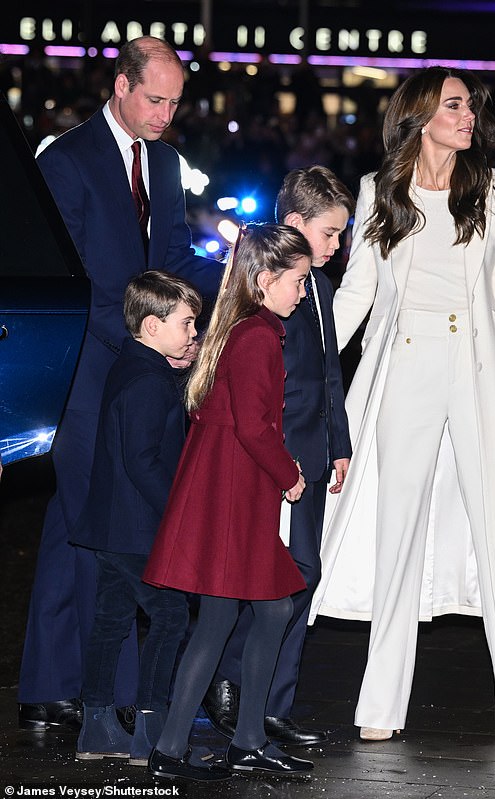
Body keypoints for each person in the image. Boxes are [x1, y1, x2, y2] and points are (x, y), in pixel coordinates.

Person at [309, 67, 495, 741]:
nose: (469, 115)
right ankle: (378, 706)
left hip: (478, 369)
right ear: (421, 115)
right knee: (398, 527)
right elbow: (356, 294)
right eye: (454, 104)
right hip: (403, 369)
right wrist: (307, 364)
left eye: (468, 105)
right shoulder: (378, 191)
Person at [18, 36, 223, 732]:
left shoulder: (163, 163)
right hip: (84, 373)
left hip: (138, 375)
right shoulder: (67, 159)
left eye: (175, 103)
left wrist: (236, 280)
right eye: (155, 99)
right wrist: (147, 342)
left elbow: (168, 259)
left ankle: (49, 687)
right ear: (121, 86)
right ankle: (125, 700)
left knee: (74, 527)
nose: (166, 114)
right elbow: (69, 279)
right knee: (117, 533)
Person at [143, 224, 315, 780]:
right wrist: (288, 473)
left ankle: (212, 745)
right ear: (264, 280)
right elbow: (252, 426)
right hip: (236, 491)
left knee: (234, 615)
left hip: (230, 487)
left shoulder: (244, 329)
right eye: (298, 281)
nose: (303, 292)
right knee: (261, 610)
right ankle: (212, 745)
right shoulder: (256, 336)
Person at [203, 166, 354, 746]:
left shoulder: (320, 287)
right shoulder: (258, 288)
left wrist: (339, 442)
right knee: (264, 575)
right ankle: (232, 682)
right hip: (270, 455)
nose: (337, 245)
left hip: (312, 453)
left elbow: (329, 372)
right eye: (330, 233)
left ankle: (272, 701)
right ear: (294, 224)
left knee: (301, 576)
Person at [71, 272, 201, 767]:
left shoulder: (130, 365)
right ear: (152, 325)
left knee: (111, 619)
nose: (194, 332)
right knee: (169, 616)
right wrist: (179, 511)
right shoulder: (148, 380)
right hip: (137, 527)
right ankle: (151, 728)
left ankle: (97, 727)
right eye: (187, 323)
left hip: (112, 524)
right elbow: (142, 460)